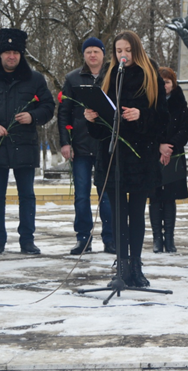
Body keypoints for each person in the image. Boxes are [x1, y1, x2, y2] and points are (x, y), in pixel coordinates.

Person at [84, 30, 168, 287]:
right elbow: (102, 126)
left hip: (141, 156)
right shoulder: (110, 76)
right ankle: (120, 267)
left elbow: (162, 117)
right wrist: (92, 119)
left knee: (136, 213)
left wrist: (140, 115)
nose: (123, 55)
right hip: (114, 157)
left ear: (137, 51)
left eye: (128, 51)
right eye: (119, 51)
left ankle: (136, 266)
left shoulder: (150, 76)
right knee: (118, 214)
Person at [0, 28, 55, 255]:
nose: (11, 56)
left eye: (15, 52)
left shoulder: (35, 79)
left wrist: (32, 116)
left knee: (27, 196)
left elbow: (48, 107)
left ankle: (27, 240)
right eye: (7, 52)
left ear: (21, 54)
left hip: (24, 146)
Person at [58, 37, 114, 255]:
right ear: (84, 55)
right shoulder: (72, 78)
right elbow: (64, 112)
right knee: (81, 195)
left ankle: (111, 238)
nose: (92, 55)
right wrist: (65, 142)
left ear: (103, 54)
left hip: (106, 143)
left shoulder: (113, 75)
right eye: (88, 52)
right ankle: (83, 238)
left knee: (107, 194)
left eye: (96, 51)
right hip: (80, 145)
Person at [149, 67, 188, 253]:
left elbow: (184, 129)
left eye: (168, 82)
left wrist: (169, 147)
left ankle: (170, 238)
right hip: (153, 155)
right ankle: (157, 238)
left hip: (174, 156)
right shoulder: (150, 101)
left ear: (173, 84)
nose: (164, 85)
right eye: (162, 82)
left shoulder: (180, 103)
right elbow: (147, 127)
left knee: (170, 198)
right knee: (155, 197)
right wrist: (159, 145)